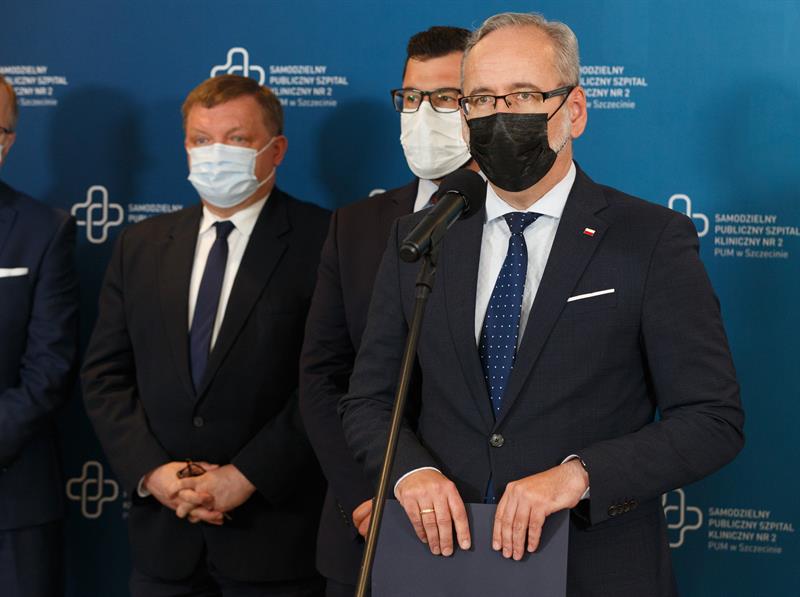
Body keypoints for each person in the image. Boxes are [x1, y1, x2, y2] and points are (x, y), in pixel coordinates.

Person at [339, 12, 744, 596]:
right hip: (443, 564)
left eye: (524, 95)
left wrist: (578, 476)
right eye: (481, 99)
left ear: (574, 110)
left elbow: (711, 419)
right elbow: (370, 401)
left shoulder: (651, 239)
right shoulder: (424, 235)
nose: (500, 115)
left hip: (592, 566)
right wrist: (409, 471)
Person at [82, 74, 329, 597]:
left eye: (236, 139)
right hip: (163, 541)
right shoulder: (141, 245)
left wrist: (246, 475)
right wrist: (154, 473)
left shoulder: (325, 240)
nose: (215, 153)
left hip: (276, 541)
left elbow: (330, 381)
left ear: (276, 149)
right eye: (201, 139)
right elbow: (105, 376)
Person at [299, 26, 475, 597]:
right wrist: (370, 493)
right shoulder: (355, 225)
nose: (423, 114)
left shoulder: (522, 226)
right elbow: (323, 377)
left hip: (482, 520)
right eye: (411, 97)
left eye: (445, 97)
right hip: (367, 526)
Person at [0, 74, 78, 597]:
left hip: (12, 509)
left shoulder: (44, 230)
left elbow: (49, 368)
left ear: (9, 140)